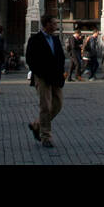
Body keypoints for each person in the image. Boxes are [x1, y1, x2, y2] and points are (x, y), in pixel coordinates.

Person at [24, 14, 65, 148]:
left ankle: (37, 124)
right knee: (46, 106)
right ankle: (45, 136)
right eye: (53, 23)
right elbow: (30, 58)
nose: (56, 26)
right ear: (46, 24)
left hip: (55, 77)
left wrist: (61, 73)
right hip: (42, 77)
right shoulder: (35, 39)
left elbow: (61, 57)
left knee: (58, 104)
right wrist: (39, 72)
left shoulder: (55, 39)